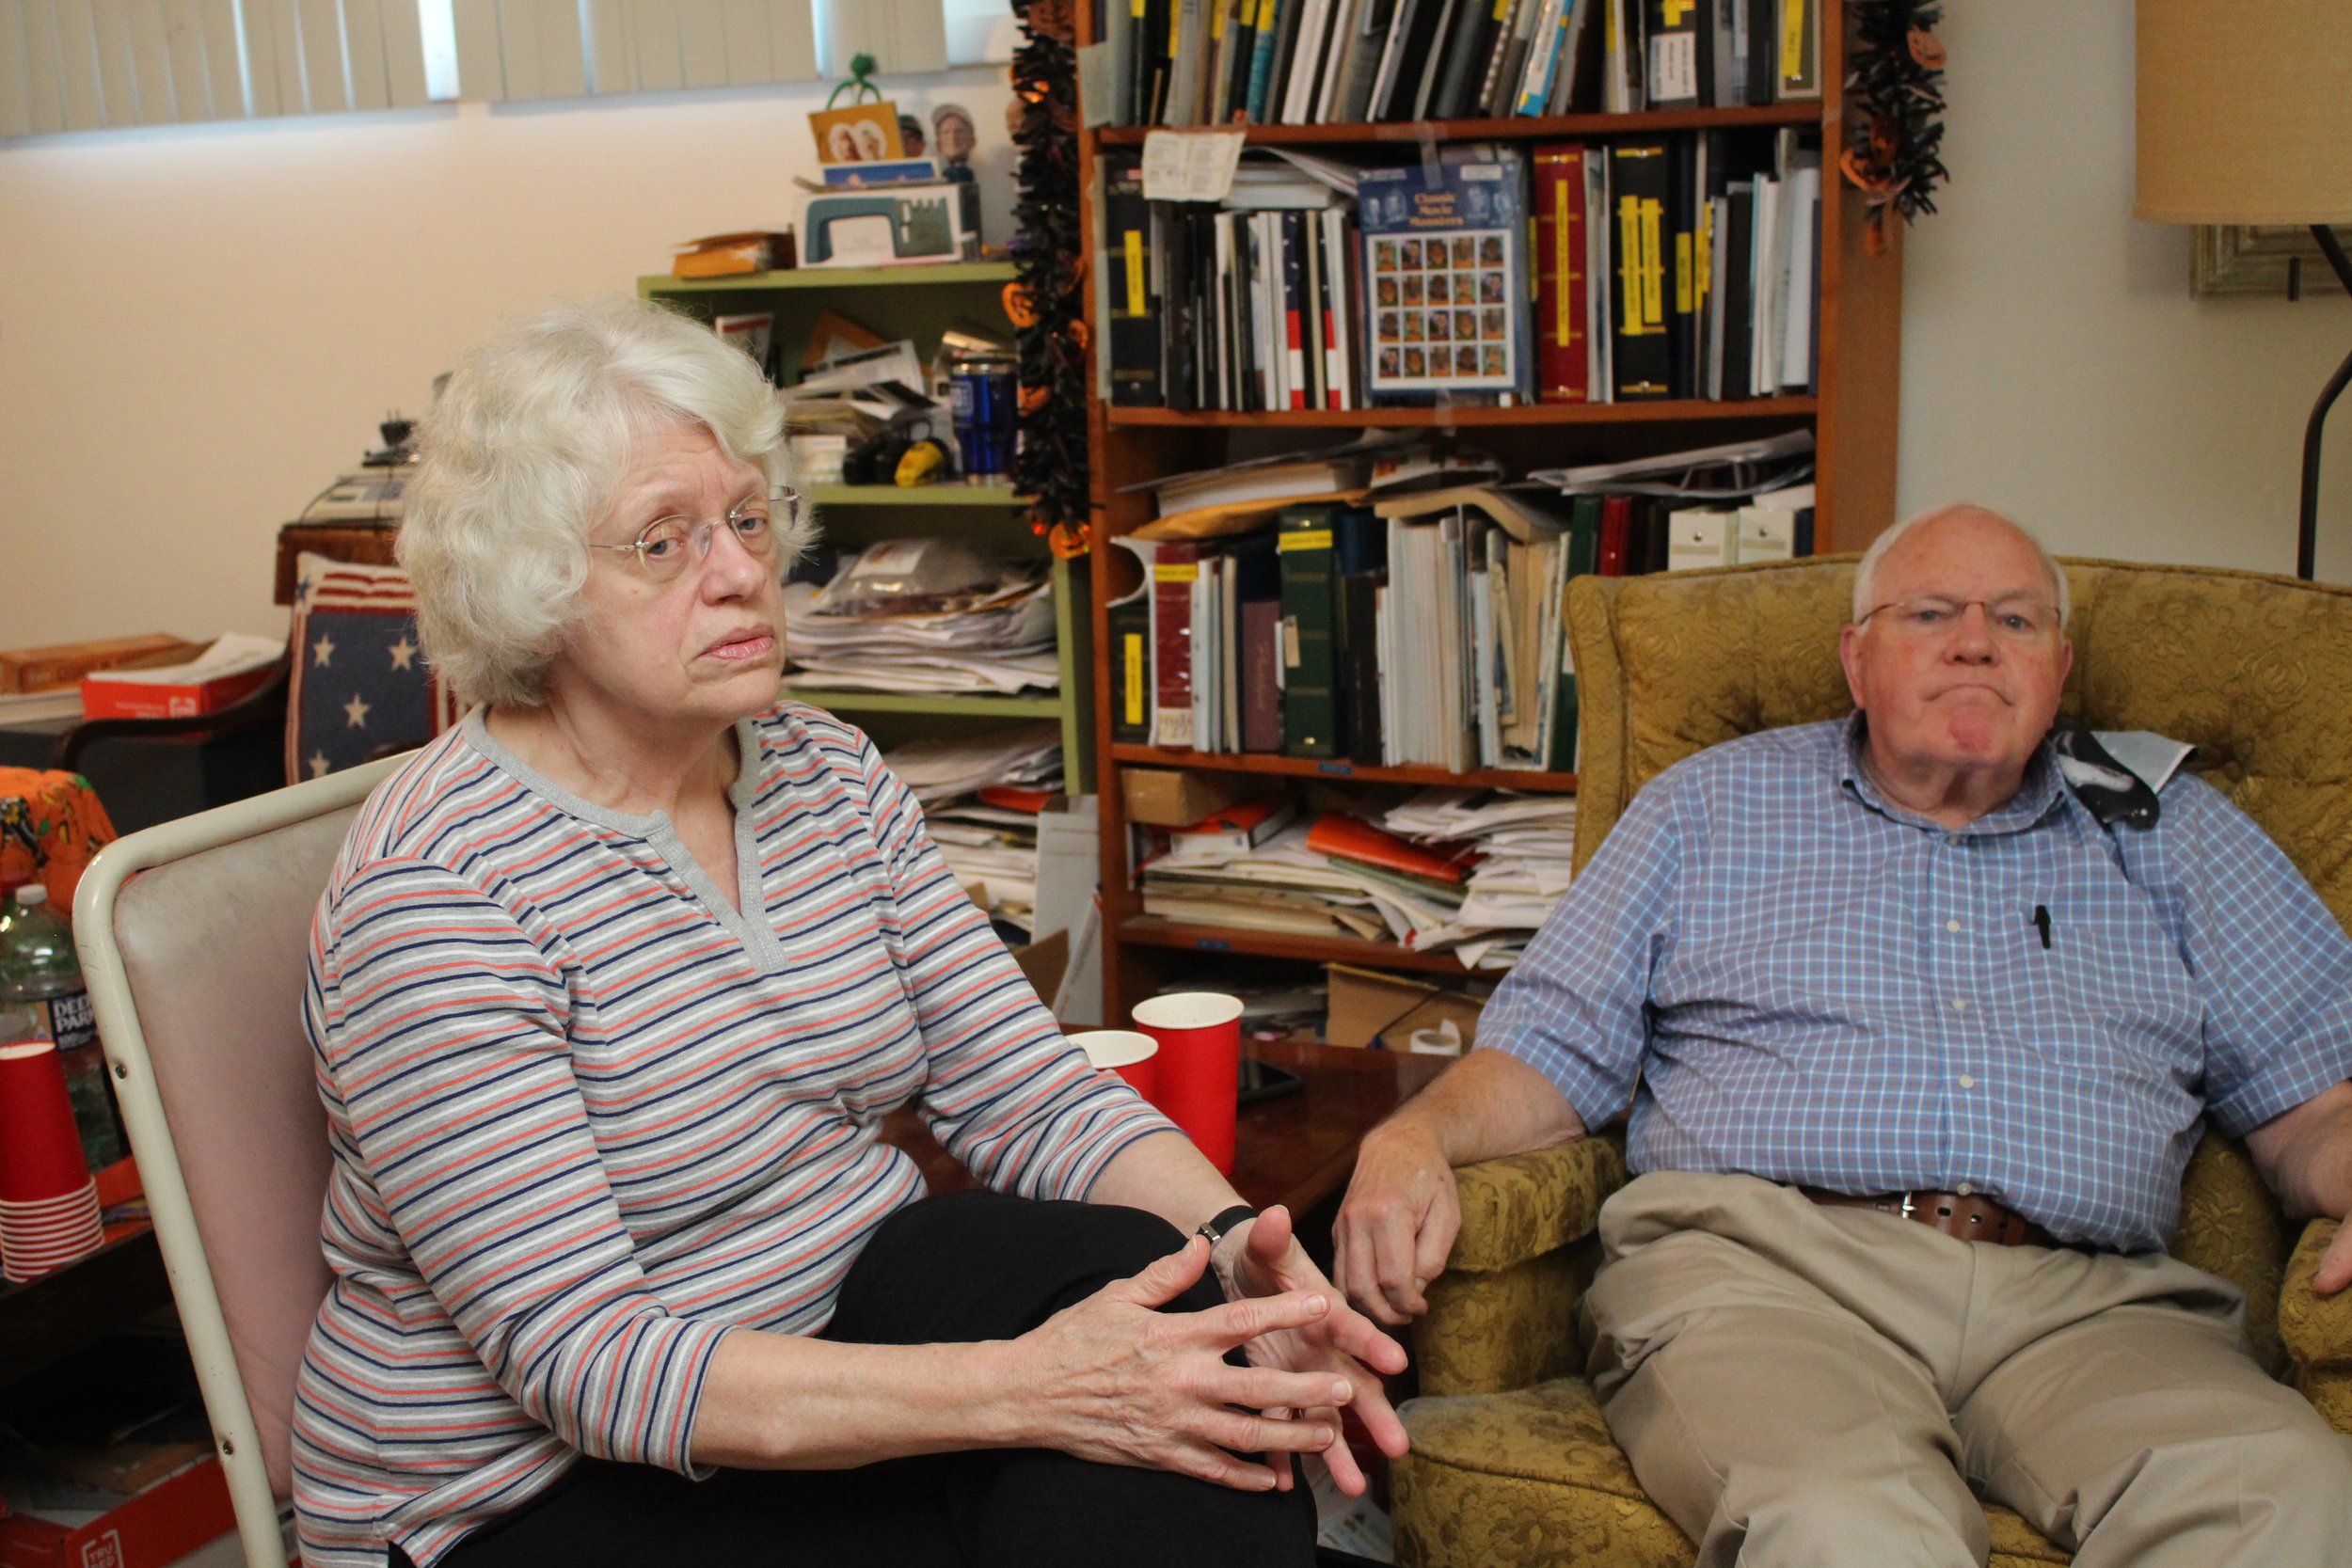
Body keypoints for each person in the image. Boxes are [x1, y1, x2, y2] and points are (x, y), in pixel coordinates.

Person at [294, 297, 1408, 1568]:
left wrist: (1242, 1263)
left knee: (1157, 1289)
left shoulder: (821, 768)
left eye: (749, 519)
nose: (738, 571)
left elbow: (1031, 1093)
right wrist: (1031, 1386)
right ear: (531, 587)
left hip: (828, 1326)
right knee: (1111, 1427)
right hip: (531, 1484)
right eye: (663, 541)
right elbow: (590, 1365)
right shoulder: (438, 895)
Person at [1334, 505, 2352, 1566]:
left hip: (2091, 1308)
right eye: (1929, 612)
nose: (1974, 639)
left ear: (2059, 666)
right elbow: (1548, 1047)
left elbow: (2313, 1099)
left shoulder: (2170, 827)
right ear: (1855, 658)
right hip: (1767, 1273)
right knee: (1847, 1526)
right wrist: (1419, 1139)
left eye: (2015, 618)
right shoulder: (1708, 807)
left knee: (2284, 1494)